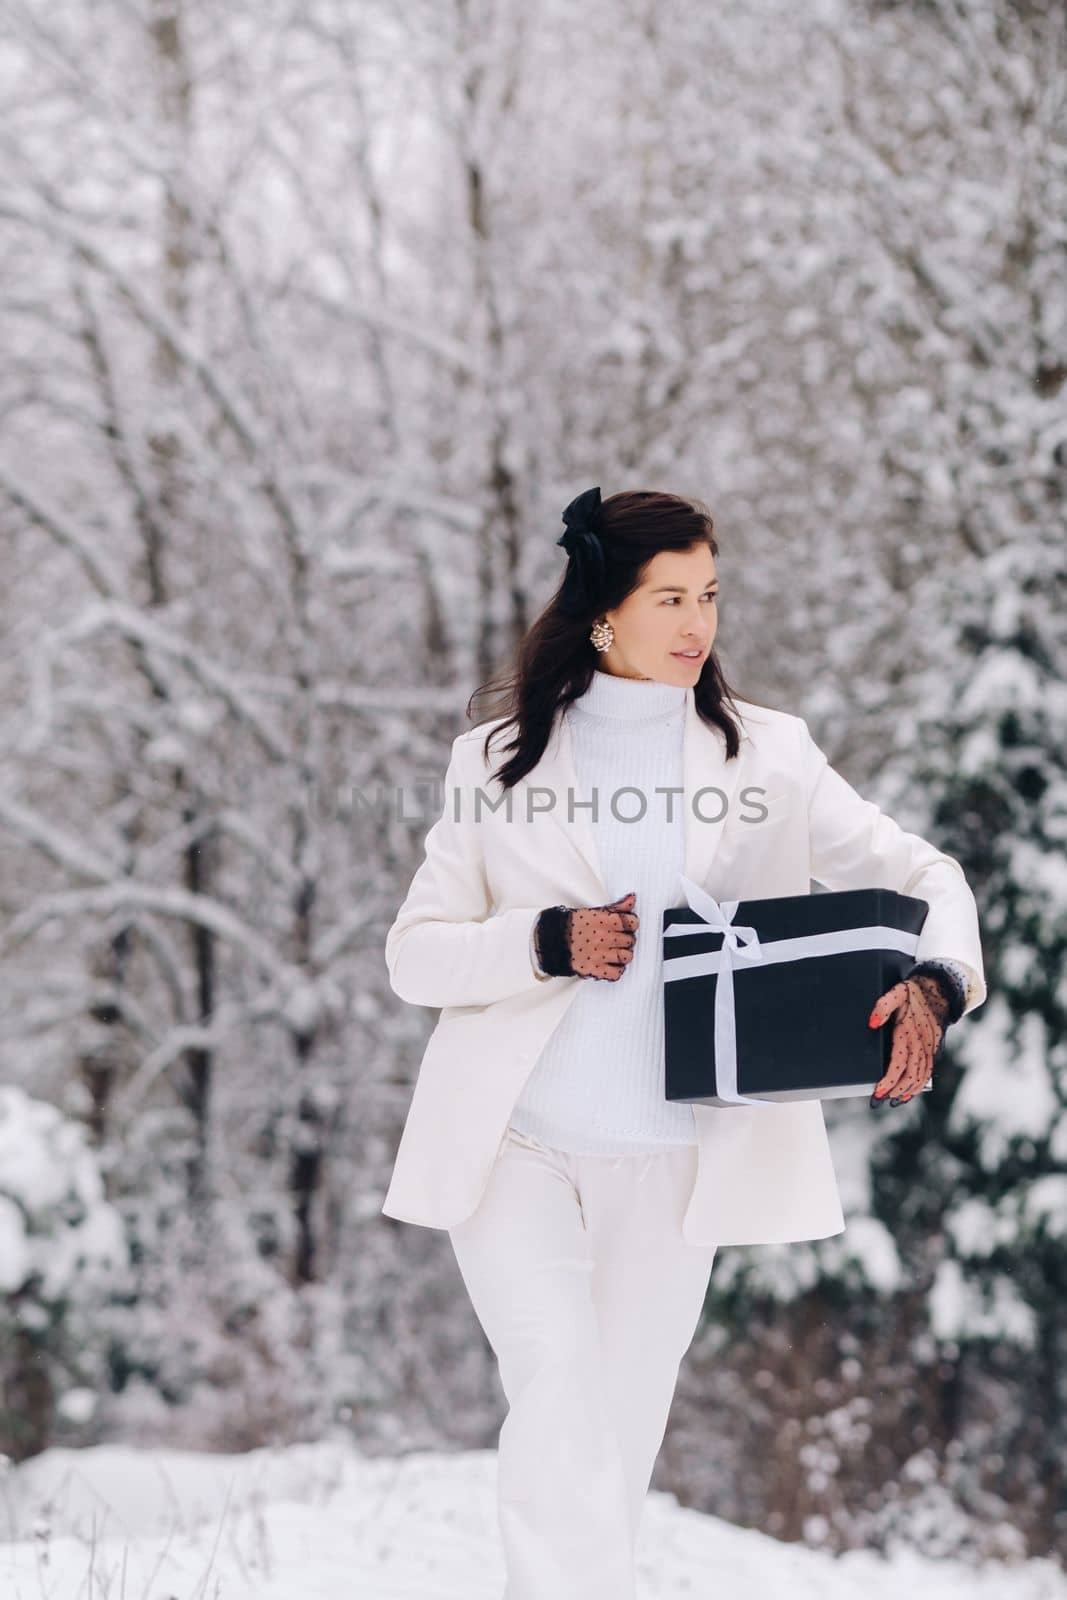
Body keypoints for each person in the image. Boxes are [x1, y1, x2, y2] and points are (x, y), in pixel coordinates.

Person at [381, 487, 986, 1600]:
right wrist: (547, 939)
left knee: (612, 1436)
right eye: (669, 596)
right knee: (557, 1391)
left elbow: (926, 874)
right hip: (514, 1148)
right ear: (604, 610)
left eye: (707, 593)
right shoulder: (496, 761)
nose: (696, 620)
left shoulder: (768, 756)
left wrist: (937, 981)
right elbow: (415, 955)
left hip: (675, 1164)